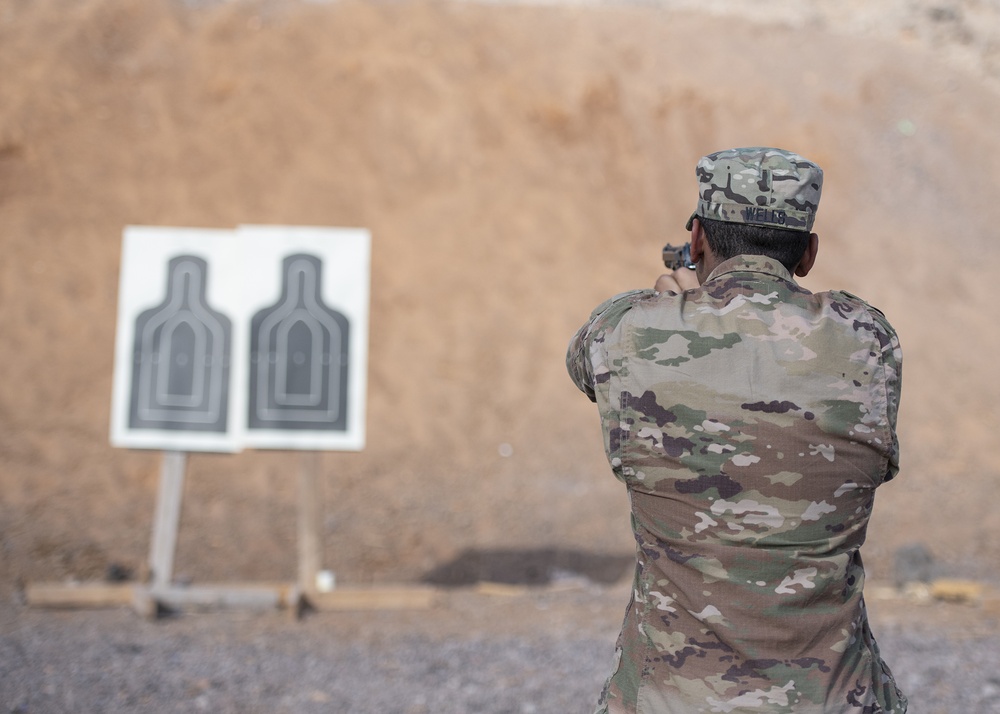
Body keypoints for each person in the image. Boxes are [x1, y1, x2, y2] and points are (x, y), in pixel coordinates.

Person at [566, 147, 906, 713]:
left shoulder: (632, 336)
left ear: (697, 239)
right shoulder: (867, 341)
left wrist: (662, 304)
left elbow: (586, 357)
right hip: (834, 698)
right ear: (809, 253)